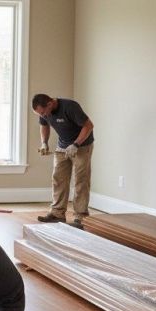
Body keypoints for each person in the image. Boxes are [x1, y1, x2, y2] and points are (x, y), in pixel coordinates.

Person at [32, 94, 94, 228]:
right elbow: (44, 125)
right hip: (62, 145)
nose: (42, 115)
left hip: (82, 146)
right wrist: (44, 143)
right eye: (39, 114)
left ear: (49, 104)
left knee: (81, 180)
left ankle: (81, 216)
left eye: (42, 112)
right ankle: (57, 213)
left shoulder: (70, 107)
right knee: (58, 178)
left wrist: (76, 144)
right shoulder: (43, 113)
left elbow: (88, 126)